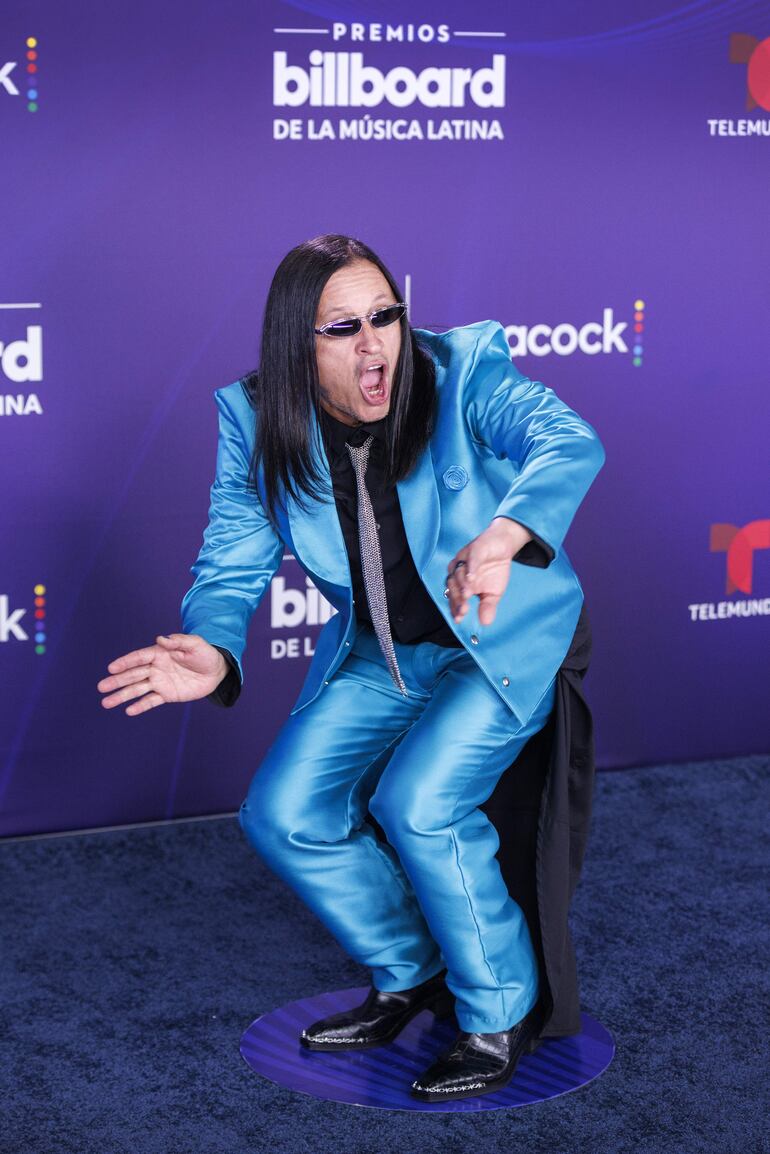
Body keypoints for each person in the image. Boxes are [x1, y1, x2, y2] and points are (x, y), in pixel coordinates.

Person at [97, 234, 605, 1103]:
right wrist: (213, 646)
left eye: (386, 316)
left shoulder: (462, 369)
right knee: (283, 812)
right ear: (300, 345)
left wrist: (504, 533)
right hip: (382, 651)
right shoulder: (257, 420)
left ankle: (497, 1012)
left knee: (418, 802)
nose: (376, 345)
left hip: (497, 640)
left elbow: (565, 440)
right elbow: (230, 561)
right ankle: (411, 972)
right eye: (344, 327)